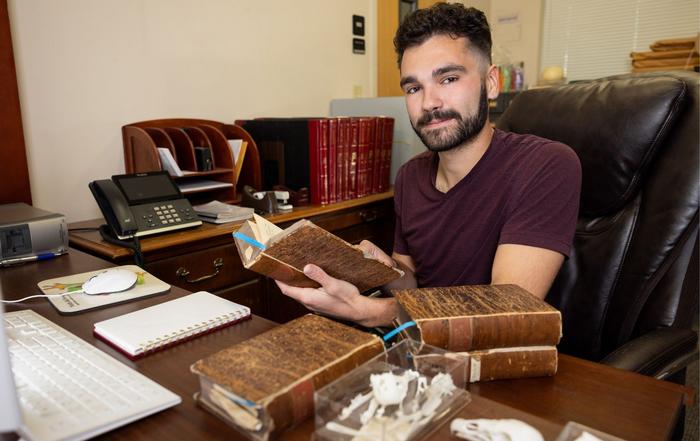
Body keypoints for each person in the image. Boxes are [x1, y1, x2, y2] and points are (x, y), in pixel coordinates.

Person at [275, 3, 581, 327]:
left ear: (491, 83)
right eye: (414, 87)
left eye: (448, 79)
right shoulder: (411, 176)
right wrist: (383, 268)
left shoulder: (546, 165)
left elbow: (504, 311)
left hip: (500, 361)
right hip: (426, 355)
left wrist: (377, 313)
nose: (429, 103)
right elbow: (413, 285)